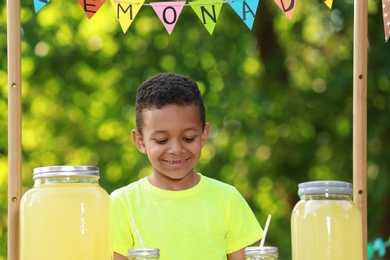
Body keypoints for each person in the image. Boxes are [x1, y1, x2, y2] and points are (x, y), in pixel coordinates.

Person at [110, 72, 263, 260]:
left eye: (188, 138)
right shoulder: (122, 203)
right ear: (140, 141)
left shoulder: (228, 200)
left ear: (204, 135)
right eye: (161, 140)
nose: (176, 149)